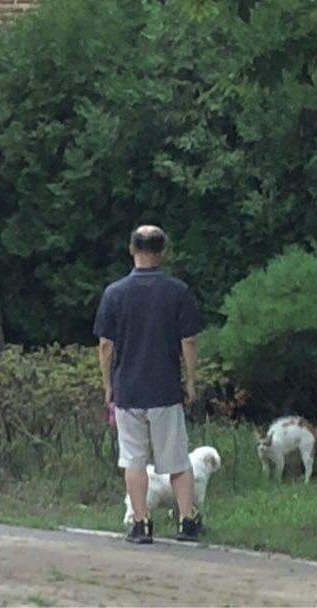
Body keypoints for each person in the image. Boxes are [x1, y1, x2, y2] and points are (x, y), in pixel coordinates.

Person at [94, 224, 202, 544]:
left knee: (134, 459)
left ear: (132, 249)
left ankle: (141, 523)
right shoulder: (178, 292)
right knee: (177, 459)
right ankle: (186, 521)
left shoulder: (114, 293)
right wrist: (191, 380)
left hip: (128, 388)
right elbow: (189, 341)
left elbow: (105, 345)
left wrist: (108, 385)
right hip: (165, 388)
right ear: (163, 251)